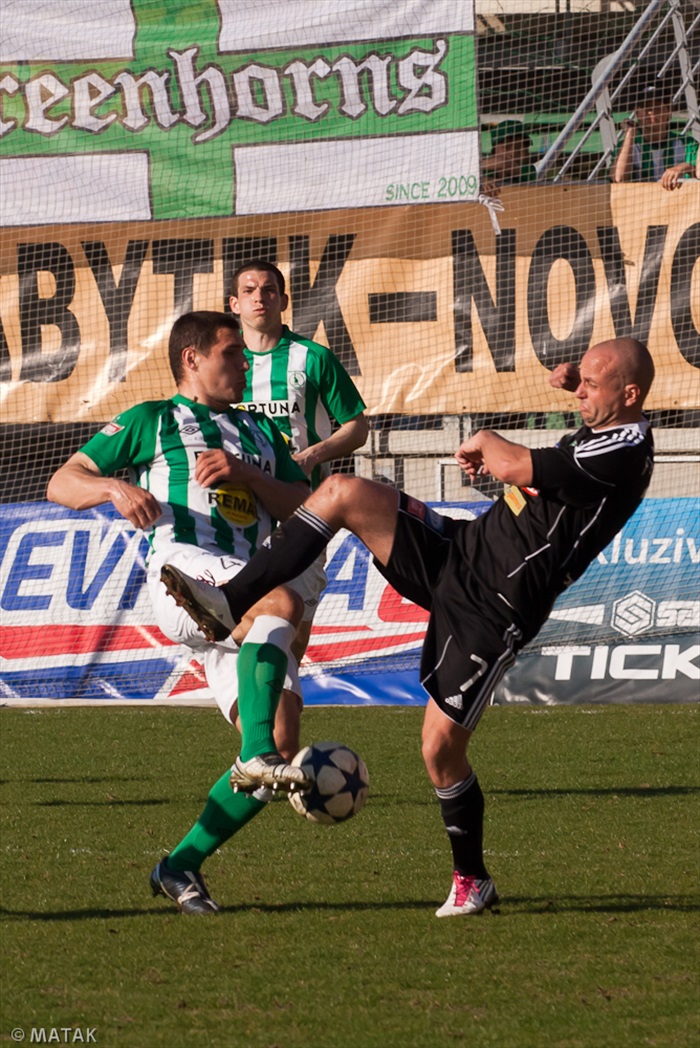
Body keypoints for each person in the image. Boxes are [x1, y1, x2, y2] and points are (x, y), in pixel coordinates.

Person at [160, 337, 655, 917]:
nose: (582, 396)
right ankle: (229, 600)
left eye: (596, 388)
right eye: (585, 385)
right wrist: (580, 381)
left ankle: (473, 879)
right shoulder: (609, 418)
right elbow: (574, 428)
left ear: (630, 395)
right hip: (459, 548)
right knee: (342, 491)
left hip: (495, 606)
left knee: (439, 752)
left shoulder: (626, 447)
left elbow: (517, 463)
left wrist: (487, 439)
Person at [47, 310, 314, 915]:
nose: (245, 364)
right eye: (231, 354)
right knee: (283, 603)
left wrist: (246, 473)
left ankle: (179, 866)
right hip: (184, 572)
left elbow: (306, 503)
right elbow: (64, 481)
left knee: (279, 740)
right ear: (192, 359)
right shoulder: (152, 419)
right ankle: (256, 753)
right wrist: (114, 488)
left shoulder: (259, 434)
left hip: (244, 589)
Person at [229, 259, 368, 663]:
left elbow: (357, 427)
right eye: (250, 291)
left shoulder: (312, 358)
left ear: (283, 300)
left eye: (269, 290)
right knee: (244, 618)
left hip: (303, 514)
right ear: (234, 304)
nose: (260, 298)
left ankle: (276, 715)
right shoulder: (222, 361)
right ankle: (259, 715)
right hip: (238, 512)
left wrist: (313, 455)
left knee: (294, 632)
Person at [610, 78, 697, 187]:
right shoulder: (628, 146)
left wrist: (684, 167)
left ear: (669, 110)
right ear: (637, 112)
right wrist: (630, 134)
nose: (651, 112)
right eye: (645, 107)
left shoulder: (687, 144)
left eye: (657, 106)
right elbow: (619, 178)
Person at [481, 120, 538, 195]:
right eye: (507, 147)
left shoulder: (530, 171)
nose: (513, 153)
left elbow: (508, 164)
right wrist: (482, 180)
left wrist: (479, 177)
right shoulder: (484, 173)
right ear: (493, 152)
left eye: (519, 147)